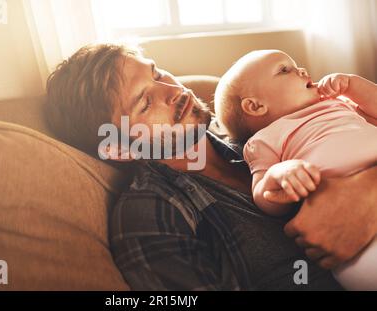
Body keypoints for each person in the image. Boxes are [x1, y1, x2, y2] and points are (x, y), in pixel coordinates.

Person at [46, 43, 377, 290]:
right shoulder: (151, 213)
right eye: (145, 102)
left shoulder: (260, 128)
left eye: (158, 73)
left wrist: (366, 193)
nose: (174, 91)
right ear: (118, 147)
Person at [214, 49, 377, 290]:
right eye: (284, 70)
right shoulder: (265, 139)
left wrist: (353, 85)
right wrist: (281, 174)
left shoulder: (339, 104)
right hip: (350, 235)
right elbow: (261, 192)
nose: (301, 70)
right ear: (256, 106)